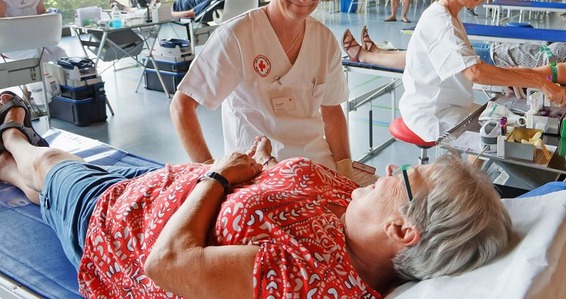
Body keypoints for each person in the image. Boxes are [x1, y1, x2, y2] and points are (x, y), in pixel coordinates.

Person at [0, 91, 513, 298]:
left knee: (52, 167)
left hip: (119, 229)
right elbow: (284, 201)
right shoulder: (357, 210)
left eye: (407, 178)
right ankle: (8, 160)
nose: (392, 168)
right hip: (156, 190)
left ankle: (12, 132)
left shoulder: (311, 280)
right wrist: (266, 167)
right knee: (36, 179)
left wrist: (219, 175)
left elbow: (167, 262)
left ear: (402, 230)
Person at [171, 0, 353, 176]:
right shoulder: (237, 36)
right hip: (257, 174)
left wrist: (345, 171)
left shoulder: (324, 40)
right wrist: (213, 176)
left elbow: (332, 112)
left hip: (315, 167)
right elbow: (182, 106)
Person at [396, 0, 566, 143]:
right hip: (432, 114)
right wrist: (537, 81)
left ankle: (475, 170)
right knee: (500, 139)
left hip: (449, 105)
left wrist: (521, 76)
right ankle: (467, 172)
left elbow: (472, 66)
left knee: (507, 124)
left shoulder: (448, 14)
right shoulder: (441, 22)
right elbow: (475, 72)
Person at [343, 16, 566, 86]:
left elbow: (537, 76)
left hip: (490, 59)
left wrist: (501, 78)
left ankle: (366, 55)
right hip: (496, 51)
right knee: (425, 52)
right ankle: (377, 50)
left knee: (423, 59)